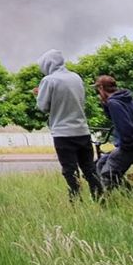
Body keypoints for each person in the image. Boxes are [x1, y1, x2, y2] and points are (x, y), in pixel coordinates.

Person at [35, 49, 103, 200]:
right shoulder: (76, 77)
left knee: (70, 170)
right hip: (82, 130)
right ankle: (100, 198)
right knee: (89, 168)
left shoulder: (49, 80)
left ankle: (76, 200)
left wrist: (39, 94)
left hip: (63, 133)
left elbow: (43, 106)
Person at [93, 76, 133, 188]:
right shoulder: (126, 98)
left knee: (108, 174)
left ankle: (105, 201)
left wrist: (125, 147)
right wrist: (104, 104)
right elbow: (115, 118)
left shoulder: (115, 103)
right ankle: (125, 190)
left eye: (98, 89)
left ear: (101, 87)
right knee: (101, 162)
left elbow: (126, 128)